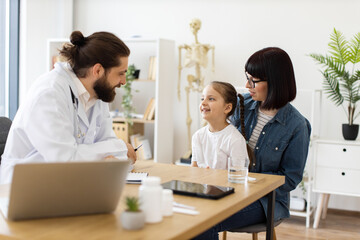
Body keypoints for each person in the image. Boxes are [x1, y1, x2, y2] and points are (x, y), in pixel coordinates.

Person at [194, 47, 311, 240]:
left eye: (253, 80)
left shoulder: (297, 125)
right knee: (191, 213)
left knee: (205, 220)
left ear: (275, 83)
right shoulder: (241, 105)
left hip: (265, 202)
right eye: (247, 78)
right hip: (228, 189)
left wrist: (246, 179)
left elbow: (290, 179)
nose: (247, 85)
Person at [0, 31, 137, 184]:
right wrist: (119, 148)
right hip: (21, 187)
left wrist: (115, 153)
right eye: (121, 73)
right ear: (98, 70)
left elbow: (106, 142)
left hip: (65, 183)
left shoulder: (98, 93)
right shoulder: (50, 93)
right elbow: (65, 160)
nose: (124, 81)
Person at [191, 81, 248, 170]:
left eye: (211, 99)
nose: (203, 103)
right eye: (202, 99)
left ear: (227, 108)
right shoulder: (197, 136)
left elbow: (239, 177)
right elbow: (194, 169)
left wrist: (212, 178)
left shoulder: (235, 140)